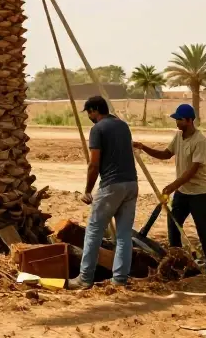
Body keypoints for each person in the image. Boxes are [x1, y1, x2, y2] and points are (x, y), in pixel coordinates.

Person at [133, 103, 206, 274]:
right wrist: (143, 147)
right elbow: (166, 154)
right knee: (173, 223)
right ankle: (176, 257)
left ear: (189, 120)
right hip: (182, 191)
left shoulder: (200, 140)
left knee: (203, 228)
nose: (177, 122)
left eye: (179, 119)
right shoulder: (178, 136)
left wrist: (172, 186)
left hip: (199, 192)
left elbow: (192, 170)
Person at [68, 96, 138, 290]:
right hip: (131, 184)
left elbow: (94, 164)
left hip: (111, 185)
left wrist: (87, 190)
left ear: (95, 110)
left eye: (89, 113)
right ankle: (120, 279)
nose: (89, 117)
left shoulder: (97, 129)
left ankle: (84, 278)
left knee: (93, 231)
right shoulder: (123, 126)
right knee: (124, 235)